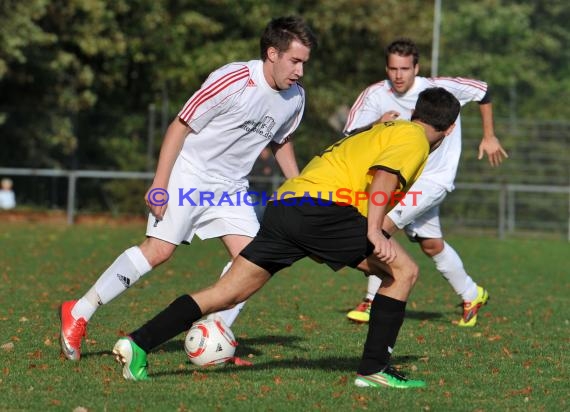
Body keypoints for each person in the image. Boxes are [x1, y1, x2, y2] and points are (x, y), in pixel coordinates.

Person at [111, 87, 461, 388]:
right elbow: (384, 176)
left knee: (228, 293)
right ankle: (375, 370)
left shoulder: (389, 128)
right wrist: (372, 230)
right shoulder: (414, 139)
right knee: (403, 272)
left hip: (288, 204)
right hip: (323, 211)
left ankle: (139, 344)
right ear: (449, 128)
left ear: (415, 111)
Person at [58, 16, 317, 361]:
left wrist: (297, 185)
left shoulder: (295, 98)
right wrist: (160, 183)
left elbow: (280, 140)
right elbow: (179, 127)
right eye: (295, 61)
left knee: (255, 262)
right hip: (190, 173)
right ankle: (79, 311)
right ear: (272, 53)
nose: (300, 71)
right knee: (158, 251)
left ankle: (215, 336)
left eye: (304, 63)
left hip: (231, 187)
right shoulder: (233, 79)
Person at [344, 38, 508, 327]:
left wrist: (489, 135)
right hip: (404, 179)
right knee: (431, 244)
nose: (398, 75)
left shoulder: (437, 89)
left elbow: (484, 90)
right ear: (386, 68)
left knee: (379, 227)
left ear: (416, 68)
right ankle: (472, 293)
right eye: (393, 68)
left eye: (405, 68)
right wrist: (376, 125)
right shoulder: (374, 95)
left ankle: (372, 301)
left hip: (434, 180)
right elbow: (349, 136)